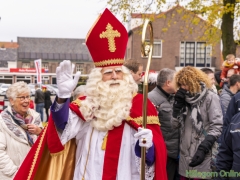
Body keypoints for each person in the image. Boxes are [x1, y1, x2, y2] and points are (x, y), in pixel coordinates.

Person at [14, 8, 167, 180]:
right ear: (97, 78)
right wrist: (63, 97)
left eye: (118, 71)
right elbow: (62, 129)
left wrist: (149, 146)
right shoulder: (87, 105)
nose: (115, 76)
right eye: (108, 72)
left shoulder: (142, 106)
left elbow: (155, 159)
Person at [171, 66, 223, 179]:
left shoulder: (210, 97)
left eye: (186, 84)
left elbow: (217, 126)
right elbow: (175, 125)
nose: (183, 88)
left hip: (203, 153)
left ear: (194, 82)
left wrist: (204, 148)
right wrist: (176, 108)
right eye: (181, 85)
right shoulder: (182, 98)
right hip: (185, 156)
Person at [0, 81, 43, 180]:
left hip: (35, 173)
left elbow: (44, 144)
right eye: (22, 97)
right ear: (12, 100)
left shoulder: (35, 117)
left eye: (28, 97)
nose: (27, 100)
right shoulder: (2, 121)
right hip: (13, 176)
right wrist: (16, 173)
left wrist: (40, 132)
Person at [148, 68, 179, 180]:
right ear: (168, 83)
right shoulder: (150, 99)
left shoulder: (175, 97)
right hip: (163, 153)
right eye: (176, 80)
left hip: (176, 152)